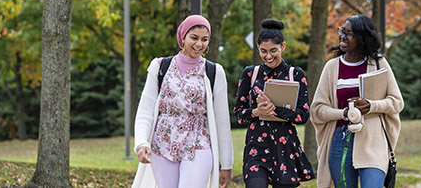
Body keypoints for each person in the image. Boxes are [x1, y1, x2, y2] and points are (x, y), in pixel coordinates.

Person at [131, 14, 233, 188]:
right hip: (163, 143)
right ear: (182, 37)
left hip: (199, 142)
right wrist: (141, 143)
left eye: (204, 39)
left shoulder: (214, 71)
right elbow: (145, 109)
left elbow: (222, 119)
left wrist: (226, 163)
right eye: (194, 38)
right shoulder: (160, 67)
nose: (199, 44)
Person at [309, 14, 404, 188]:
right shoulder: (332, 67)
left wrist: (371, 105)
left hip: (372, 140)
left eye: (349, 34)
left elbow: (397, 102)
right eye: (342, 31)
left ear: (362, 38)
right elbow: (317, 110)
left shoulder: (379, 63)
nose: (342, 37)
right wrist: (344, 113)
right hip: (340, 139)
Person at [234, 19, 314, 188]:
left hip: (285, 148)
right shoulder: (250, 74)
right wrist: (257, 112)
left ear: (282, 46)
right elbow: (239, 114)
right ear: (258, 48)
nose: (268, 56)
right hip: (256, 148)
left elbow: (303, 115)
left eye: (273, 51)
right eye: (263, 51)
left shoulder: (295, 74)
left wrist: (275, 110)